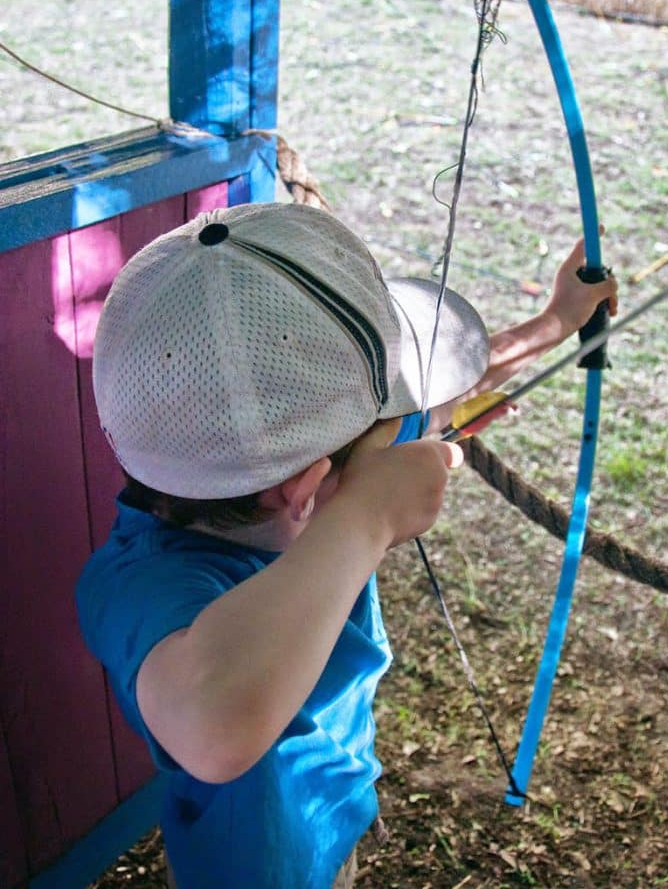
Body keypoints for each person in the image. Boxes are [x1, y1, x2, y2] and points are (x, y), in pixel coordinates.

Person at [76, 200, 618, 889]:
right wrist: (366, 519)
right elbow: (216, 728)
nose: (415, 424)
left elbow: (436, 399)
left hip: (331, 824)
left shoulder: (294, 480)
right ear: (308, 492)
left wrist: (554, 324)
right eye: (389, 429)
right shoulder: (141, 586)